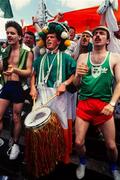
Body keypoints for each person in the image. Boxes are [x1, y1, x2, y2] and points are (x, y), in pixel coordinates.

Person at [73, 26, 120, 180]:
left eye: (102, 34)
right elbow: (76, 84)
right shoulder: (83, 57)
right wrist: (78, 76)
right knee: (79, 142)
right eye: (95, 34)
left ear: (108, 40)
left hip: (104, 105)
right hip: (85, 103)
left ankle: (113, 166)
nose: (97, 36)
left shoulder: (114, 57)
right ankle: (82, 162)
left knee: (111, 146)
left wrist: (112, 104)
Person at [30, 21, 76, 165]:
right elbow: (33, 74)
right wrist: (32, 87)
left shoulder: (67, 58)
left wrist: (65, 84)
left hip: (59, 96)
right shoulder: (40, 59)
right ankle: (45, 155)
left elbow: (74, 75)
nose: (49, 39)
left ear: (59, 40)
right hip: (42, 95)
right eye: (47, 37)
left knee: (61, 125)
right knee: (38, 125)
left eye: (52, 37)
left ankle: (62, 155)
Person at [0, 21, 33, 160]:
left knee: (16, 117)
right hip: (7, 86)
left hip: (19, 88)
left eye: (12, 33)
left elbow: (28, 72)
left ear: (20, 36)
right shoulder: (5, 51)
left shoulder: (27, 52)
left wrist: (15, 70)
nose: (9, 35)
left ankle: (15, 144)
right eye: (7, 33)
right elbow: (1, 69)